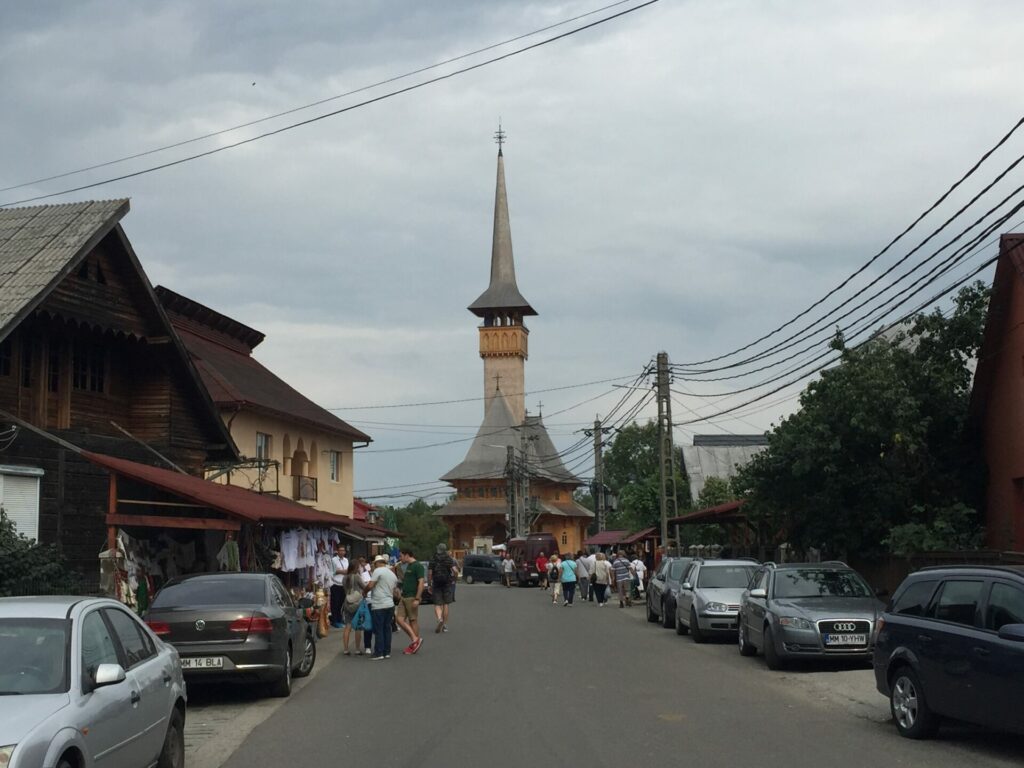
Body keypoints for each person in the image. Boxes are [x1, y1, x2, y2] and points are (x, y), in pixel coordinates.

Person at [366, 553, 398, 660]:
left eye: (375, 563)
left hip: (379, 604)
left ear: (378, 563)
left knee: (379, 629)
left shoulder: (377, 571)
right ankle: (387, 651)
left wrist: (364, 592)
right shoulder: (392, 574)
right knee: (387, 628)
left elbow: (370, 585)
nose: (374, 565)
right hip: (390, 604)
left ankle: (379, 652)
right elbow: (394, 590)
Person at [395, 547, 424, 655]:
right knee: (399, 619)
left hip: (412, 597)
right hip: (404, 596)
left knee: (413, 620)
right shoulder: (408, 566)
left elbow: (421, 583)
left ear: (407, 555)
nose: (400, 558)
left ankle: (415, 643)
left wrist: (417, 598)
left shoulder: (418, 566)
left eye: (401, 556)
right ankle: (415, 639)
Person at [428, 543, 457, 633]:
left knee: (437, 604)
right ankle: (444, 624)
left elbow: (429, 573)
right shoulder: (448, 558)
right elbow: (455, 571)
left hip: (436, 583)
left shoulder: (433, 558)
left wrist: (430, 584)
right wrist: (454, 579)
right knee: (446, 604)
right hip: (447, 583)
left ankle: (439, 618)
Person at [340, 563, 366, 655]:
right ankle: (357, 649)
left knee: (348, 626)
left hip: (347, 602)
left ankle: (346, 649)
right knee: (358, 627)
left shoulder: (344, 578)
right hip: (357, 603)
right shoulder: (357, 577)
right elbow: (364, 587)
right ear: (355, 568)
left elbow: (345, 590)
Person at [329, 544, 349, 627]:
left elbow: (348, 570)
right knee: (335, 603)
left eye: (343, 550)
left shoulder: (346, 560)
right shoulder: (333, 560)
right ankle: (335, 621)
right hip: (335, 584)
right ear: (337, 551)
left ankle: (340, 619)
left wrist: (342, 571)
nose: (342, 552)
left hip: (343, 584)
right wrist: (342, 571)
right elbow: (332, 571)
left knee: (341, 603)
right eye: (340, 550)